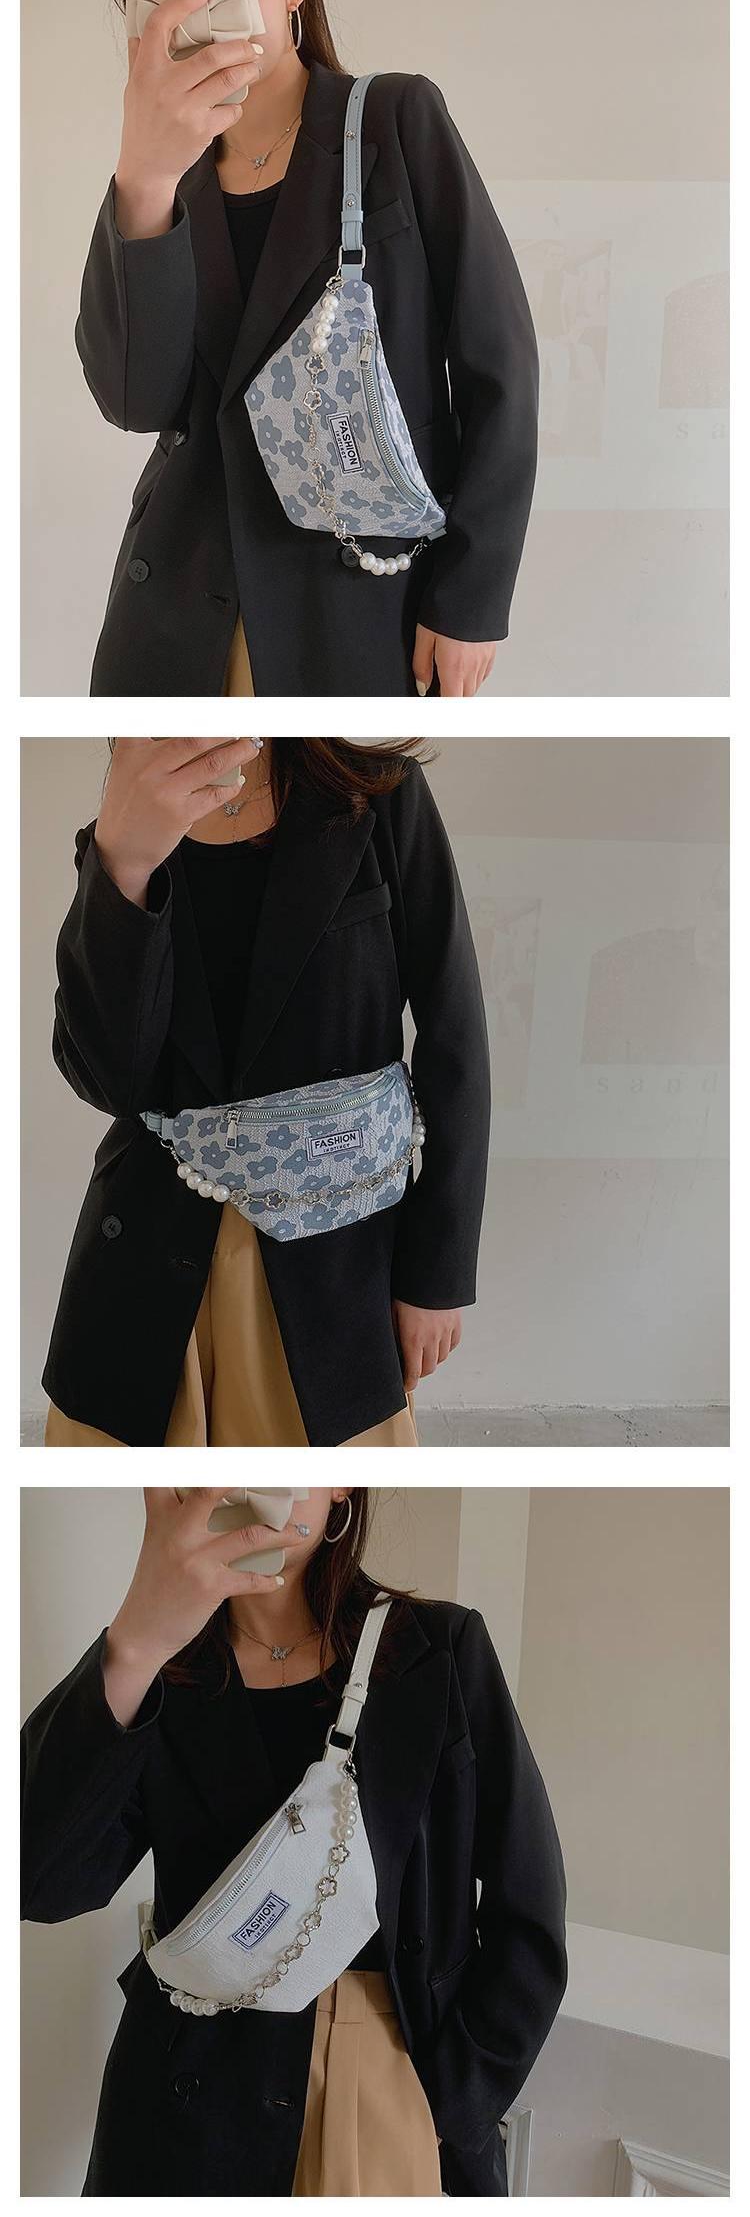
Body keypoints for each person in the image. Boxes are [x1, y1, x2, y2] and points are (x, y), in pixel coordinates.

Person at [20, 1487, 569, 2196]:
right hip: (190, 2098)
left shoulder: (436, 1648)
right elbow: (38, 1882)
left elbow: (529, 1897)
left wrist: (449, 2103)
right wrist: (136, 1641)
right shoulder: (164, 1666)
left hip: (388, 2077)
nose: (254, 1487)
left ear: (341, 1482)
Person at [75, 0, 540, 697]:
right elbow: (136, 402)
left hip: (354, 601)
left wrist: (472, 597)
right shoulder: (163, 177)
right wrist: (144, 176)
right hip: (180, 604)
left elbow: (498, 362)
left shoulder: (393, 117)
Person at [42, 736, 492, 1447]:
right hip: (151, 1273)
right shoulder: (133, 815)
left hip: (341, 1273)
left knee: (319, 1497)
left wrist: (437, 1274)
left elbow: (454, 1033)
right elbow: (105, 1079)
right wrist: (124, 867)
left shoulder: (378, 791)